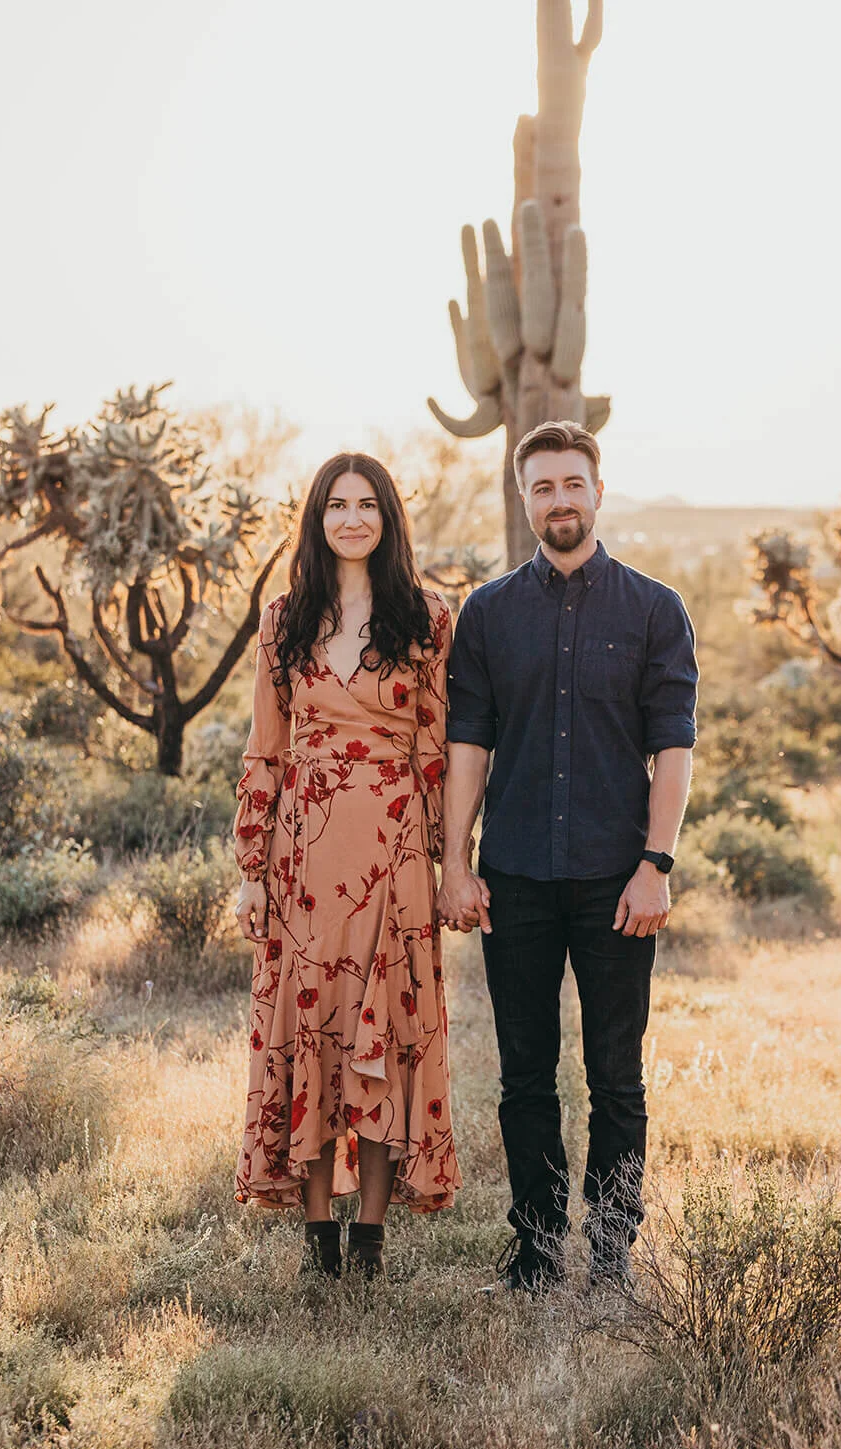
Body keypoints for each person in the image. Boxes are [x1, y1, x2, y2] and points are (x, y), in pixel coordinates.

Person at [437, 419, 697, 1292]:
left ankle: (611, 1252)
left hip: (615, 879)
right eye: (540, 487)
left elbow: (673, 750)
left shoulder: (655, 609)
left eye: (571, 484)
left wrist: (655, 865)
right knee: (524, 1080)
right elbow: (467, 744)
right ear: (524, 499)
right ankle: (538, 1251)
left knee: (615, 1079)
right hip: (512, 878)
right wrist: (454, 862)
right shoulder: (488, 613)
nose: (558, 500)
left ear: (597, 490)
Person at [233, 452, 461, 1279]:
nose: (353, 518)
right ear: (317, 518)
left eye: (368, 504)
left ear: (388, 518)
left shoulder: (428, 619)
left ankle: (368, 1239)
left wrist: (450, 864)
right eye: (337, 504)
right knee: (313, 1034)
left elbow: (435, 750)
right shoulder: (283, 619)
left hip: (394, 853)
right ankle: (317, 1239)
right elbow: (265, 750)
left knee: (386, 1035)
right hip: (302, 855)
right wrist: (252, 868)